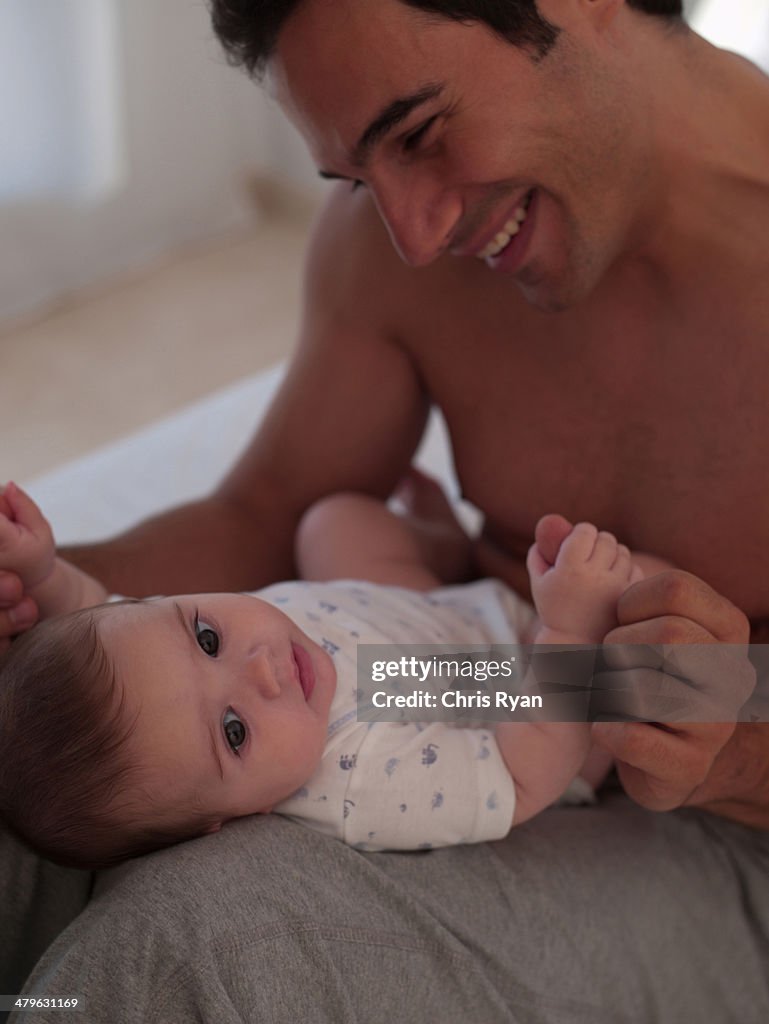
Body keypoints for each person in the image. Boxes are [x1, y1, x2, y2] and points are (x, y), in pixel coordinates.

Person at [2, 1, 769, 1018]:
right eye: (359, 179)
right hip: (469, 687)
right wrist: (31, 605)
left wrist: (726, 756)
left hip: (719, 827)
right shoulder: (396, 242)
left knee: (199, 943)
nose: (408, 235)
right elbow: (263, 509)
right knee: (50, 757)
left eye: (416, 132)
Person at [0, 478, 635, 868]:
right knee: (647, 629)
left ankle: (443, 547)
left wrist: (47, 575)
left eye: (207, 637)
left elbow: (100, 614)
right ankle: (566, 618)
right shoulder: (362, 782)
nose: (263, 673)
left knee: (334, 519)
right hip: (520, 704)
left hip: (418, 633)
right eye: (234, 732)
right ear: (227, 822)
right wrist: (570, 631)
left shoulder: (159, 667)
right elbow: (521, 778)